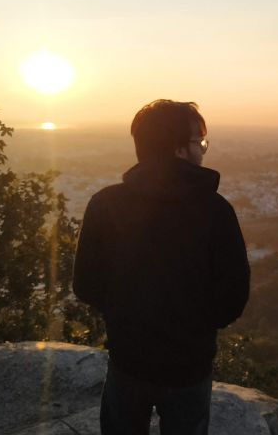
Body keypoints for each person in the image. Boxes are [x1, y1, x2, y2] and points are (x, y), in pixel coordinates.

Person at [73, 99, 250, 435]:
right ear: (179, 150)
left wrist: (124, 316)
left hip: (127, 358)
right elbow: (234, 294)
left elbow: (85, 284)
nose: (202, 151)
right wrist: (195, 328)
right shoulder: (215, 211)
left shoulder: (105, 203)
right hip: (189, 365)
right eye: (199, 143)